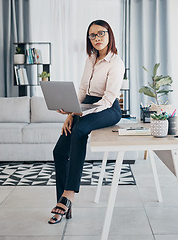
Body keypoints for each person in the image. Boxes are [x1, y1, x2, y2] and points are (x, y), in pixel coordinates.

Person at [48, 19, 125, 224]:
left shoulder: (116, 63)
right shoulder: (89, 59)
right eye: (92, 35)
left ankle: (69, 194)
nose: (97, 38)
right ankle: (63, 203)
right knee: (59, 151)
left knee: (81, 129)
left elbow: (108, 100)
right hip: (87, 106)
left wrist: (84, 114)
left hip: (108, 108)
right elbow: (82, 91)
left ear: (110, 35)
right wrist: (71, 113)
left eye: (101, 33)